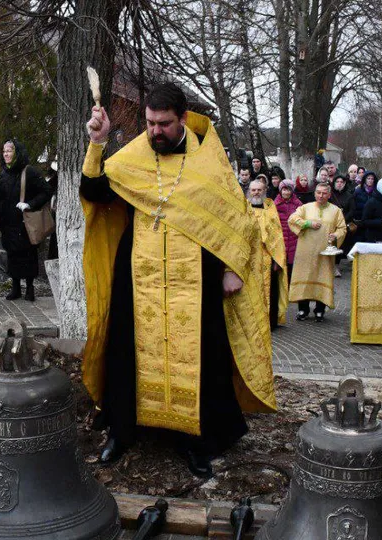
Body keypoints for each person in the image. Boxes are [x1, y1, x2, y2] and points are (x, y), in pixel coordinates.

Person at [80, 83, 275, 479]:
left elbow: (235, 219)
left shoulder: (209, 161)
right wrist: (98, 144)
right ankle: (122, 433)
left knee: (202, 357)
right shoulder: (135, 155)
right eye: (150, 123)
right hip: (139, 279)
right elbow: (95, 191)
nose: (155, 132)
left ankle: (198, 443)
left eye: (164, 124)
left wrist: (232, 267)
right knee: (126, 353)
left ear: (183, 119)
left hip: (196, 280)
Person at [0, 139, 50, 302]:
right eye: (4, 151)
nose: (6, 154)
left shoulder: (29, 172)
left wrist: (29, 204)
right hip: (8, 223)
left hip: (25, 223)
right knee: (12, 255)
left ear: (17, 152)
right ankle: (15, 287)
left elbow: (46, 191)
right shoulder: (4, 173)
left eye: (9, 151)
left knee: (28, 255)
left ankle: (29, 288)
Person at [288, 182, 347, 322]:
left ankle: (320, 310)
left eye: (324, 193)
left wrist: (336, 236)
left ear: (329, 194)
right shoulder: (305, 208)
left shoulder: (336, 210)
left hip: (325, 253)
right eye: (318, 192)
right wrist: (308, 223)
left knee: (322, 277)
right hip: (305, 252)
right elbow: (292, 219)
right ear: (314, 193)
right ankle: (303, 309)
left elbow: (342, 228)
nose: (321, 195)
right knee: (305, 278)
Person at [248, 181, 288, 330]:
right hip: (250, 256)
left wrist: (277, 259)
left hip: (268, 256)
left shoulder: (271, 209)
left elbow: (277, 236)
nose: (256, 192)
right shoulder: (243, 208)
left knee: (269, 289)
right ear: (249, 191)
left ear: (264, 190)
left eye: (259, 190)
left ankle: (270, 322)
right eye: (253, 190)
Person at [275, 179, 302, 279]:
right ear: (280, 190)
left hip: (294, 239)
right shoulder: (275, 204)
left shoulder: (298, 204)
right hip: (281, 238)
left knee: (292, 268)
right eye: (284, 189)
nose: (286, 192)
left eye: (289, 189)